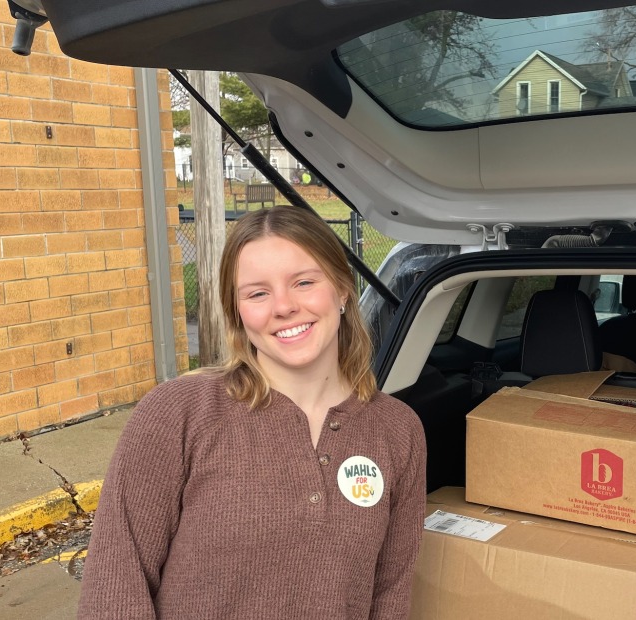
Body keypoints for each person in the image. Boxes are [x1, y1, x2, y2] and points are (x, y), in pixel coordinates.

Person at [78, 206, 426, 619]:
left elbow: (390, 593)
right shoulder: (179, 413)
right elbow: (115, 583)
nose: (283, 307)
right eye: (258, 293)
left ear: (342, 289)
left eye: (303, 282)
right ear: (239, 313)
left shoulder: (398, 429)